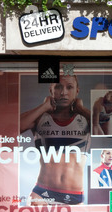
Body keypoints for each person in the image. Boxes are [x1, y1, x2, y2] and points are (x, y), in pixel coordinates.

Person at [20, 74, 91, 205]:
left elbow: (108, 131)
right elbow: (14, 128)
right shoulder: (40, 117)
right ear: (51, 90)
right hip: (41, 193)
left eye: (69, 87)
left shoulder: (86, 118)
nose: (63, 92)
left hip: (74, 196)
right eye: (58, 87)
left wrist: (81, 109)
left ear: (77, 91)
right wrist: (43, 107)